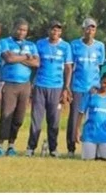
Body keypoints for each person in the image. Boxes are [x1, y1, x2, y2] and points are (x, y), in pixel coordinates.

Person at [27, 20, 72, 157]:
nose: (55, 32)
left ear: (61, 32)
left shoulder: (65, 46)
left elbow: (68, 68)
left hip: (57, 87)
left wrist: (66, 87)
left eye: (58, 30)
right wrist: (31, 84)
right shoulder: (40, 43)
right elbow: (34, 63)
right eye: (53, 29)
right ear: (49, 30)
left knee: (54, 120)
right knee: (36, 119)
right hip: (40, 85)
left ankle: (53, 149)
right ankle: (31, 147)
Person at [0, 19, 39, 157]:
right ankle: (0, 145)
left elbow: (36, 63)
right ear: (14, 28)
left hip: (25, 85)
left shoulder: (31, 45)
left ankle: (11, 145)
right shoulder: (5, 42)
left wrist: (18, 57)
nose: (21, 32)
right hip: (9, 83)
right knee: (6, 115)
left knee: (19, 117)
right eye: (19, 29)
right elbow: (8, 59)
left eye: (24, 30)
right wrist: (26, 57)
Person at [67, 17, 105, 157]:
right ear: (83, 29)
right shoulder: (74, 44)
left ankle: (91, 148)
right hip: (78, 87)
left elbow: (100, 67)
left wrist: (100, 87)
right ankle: (71, 148)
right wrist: (68, 87)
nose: (90, 30)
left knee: (93, 117)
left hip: (94, 88)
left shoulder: (100, 46)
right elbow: (70, 66)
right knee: (74, 118)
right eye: (88, 27)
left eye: (93, 28)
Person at [75, 73, 106, 161]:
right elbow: (81, 113)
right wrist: (77, 131)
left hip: (105, 136)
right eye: (104, 83)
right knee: (88, 160)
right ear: (100, 81)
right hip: (90, 135)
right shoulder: (91, 94)